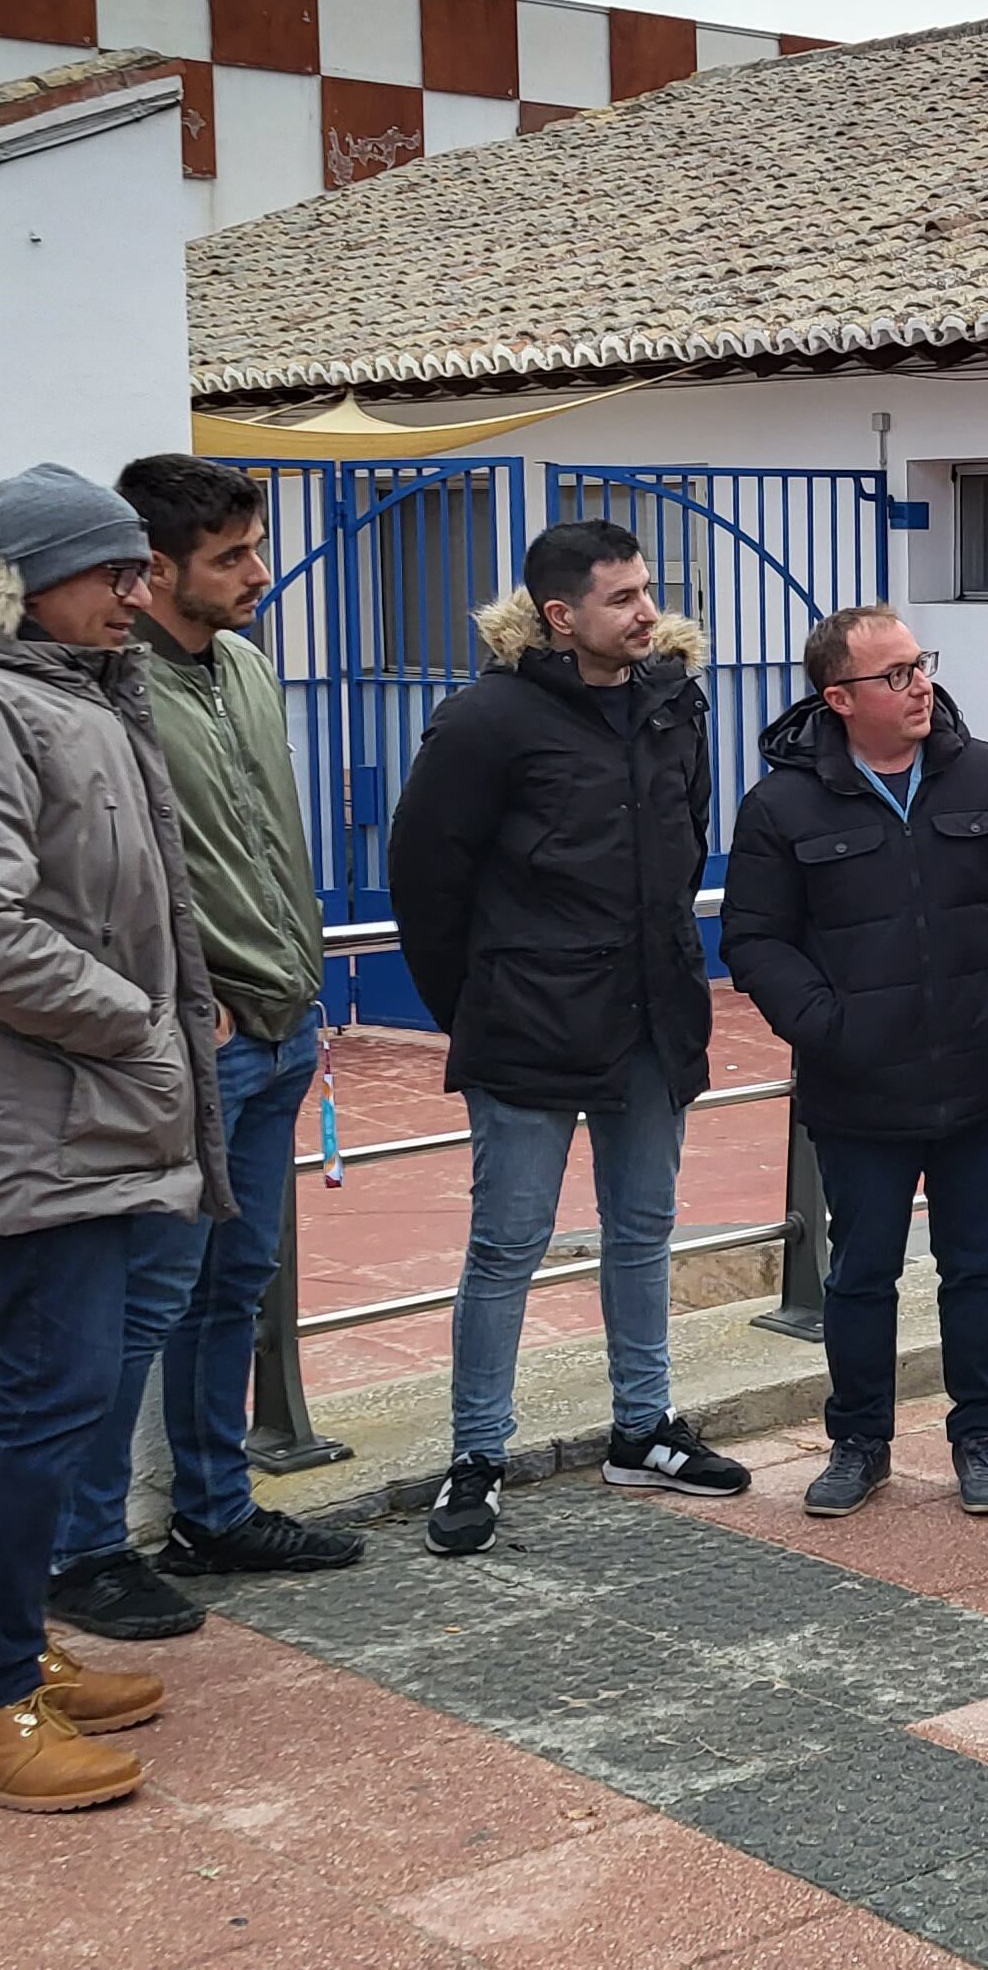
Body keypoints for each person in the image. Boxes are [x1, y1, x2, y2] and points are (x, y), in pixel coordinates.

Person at [0, 463, 234, 1812]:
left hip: (79, 1110)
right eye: (114, 574)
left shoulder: (53, 690)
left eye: (144, 570)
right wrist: (135, 1024)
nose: (140, 594)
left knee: (46, 1389)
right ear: (23, 583)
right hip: (52, 1114)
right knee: (44, 1395)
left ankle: (4, 1654)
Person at [38, 457, 364, 1643]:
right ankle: (80, 1547)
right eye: (230, 556)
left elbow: (270, 838)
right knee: (146, 1299)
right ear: (156, 566)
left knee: (235, 1284)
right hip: (190, 1046)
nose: (257, 574)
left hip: (281, 1029)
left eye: (253, 548)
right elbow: (89, 879)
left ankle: (213, 1509)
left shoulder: (247, 668)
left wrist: (309, 986)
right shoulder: (110, 692)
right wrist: (174, 1002)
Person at [388, 519, 750, 1558]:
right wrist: (475, 1005)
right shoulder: (483, 721)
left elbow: (682, 849)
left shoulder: (674, 700)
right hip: (526, 1026)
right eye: (622, 597)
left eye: (647, 589)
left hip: (649, 1016)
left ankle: (643, 1428)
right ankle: (476, 1456)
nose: (648, 612)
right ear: (560, 615)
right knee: (507, 1245)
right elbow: (427, 879)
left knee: (644, 1230)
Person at [722, 603, 988, 1519]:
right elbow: (755, 940)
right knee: (862, 1272)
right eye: (898, 675)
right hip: (858, 1090)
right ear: (839, 698)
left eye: (923, 665)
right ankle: (859, 1444)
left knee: (977, 1268)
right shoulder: (781, 804)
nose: (923, 686)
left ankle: (982, 1439)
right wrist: (827, 1027)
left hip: (982, 1077)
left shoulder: (985, 773)